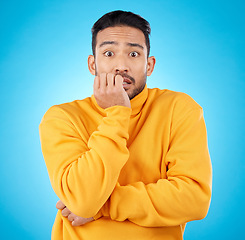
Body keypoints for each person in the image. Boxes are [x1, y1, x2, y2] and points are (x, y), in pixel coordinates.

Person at [39, 10, 212, 240]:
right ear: (93, 64)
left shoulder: (179, 109)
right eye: (109, 53)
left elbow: (195, 200)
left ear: (149, 65)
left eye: (133, 53)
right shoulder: (62, 117)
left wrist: (105, 206)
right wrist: (118, 114)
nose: (121, 65)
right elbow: (83, 200)